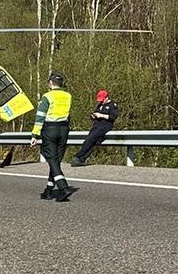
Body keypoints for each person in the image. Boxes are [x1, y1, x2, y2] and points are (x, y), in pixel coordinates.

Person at [30, 72, 75, 202]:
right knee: (55, 160)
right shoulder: (68, 96)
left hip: (50, 128)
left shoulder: (47, 97)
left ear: (50, 83)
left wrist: (35, 135)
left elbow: (40, 117)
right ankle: (49, 190)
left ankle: (63, 187)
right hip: (64, 129)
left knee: (50, 157)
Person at [72, 89, 119, 166]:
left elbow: (113, 117)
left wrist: (101, 115)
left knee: (89, 140)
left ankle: (78, 156)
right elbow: (94, 113)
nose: (101, 101)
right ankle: (81, 159)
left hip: (104, 126)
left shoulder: (112, 105)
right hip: (96, 126)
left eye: (102, 99)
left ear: (106, 97)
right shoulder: (100, 105)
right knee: (94, 142)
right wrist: (93, 116)